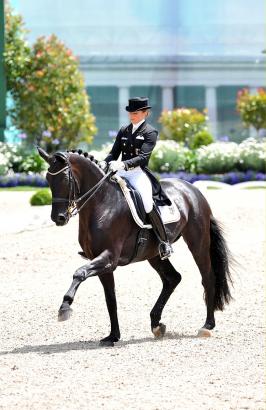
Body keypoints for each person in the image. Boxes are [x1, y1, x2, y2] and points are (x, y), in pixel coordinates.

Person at [99, 97, 173, 260]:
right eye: (130, 113)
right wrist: (104, 162)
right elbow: (114, 153)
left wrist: (123, 164)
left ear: (146, 113)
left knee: (147, 203)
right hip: (121, 172)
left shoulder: (150, 132)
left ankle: (164, 242)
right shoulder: (124, 130)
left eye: (136, 113)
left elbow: (143, 158)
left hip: (138, 173)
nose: (132, 115)